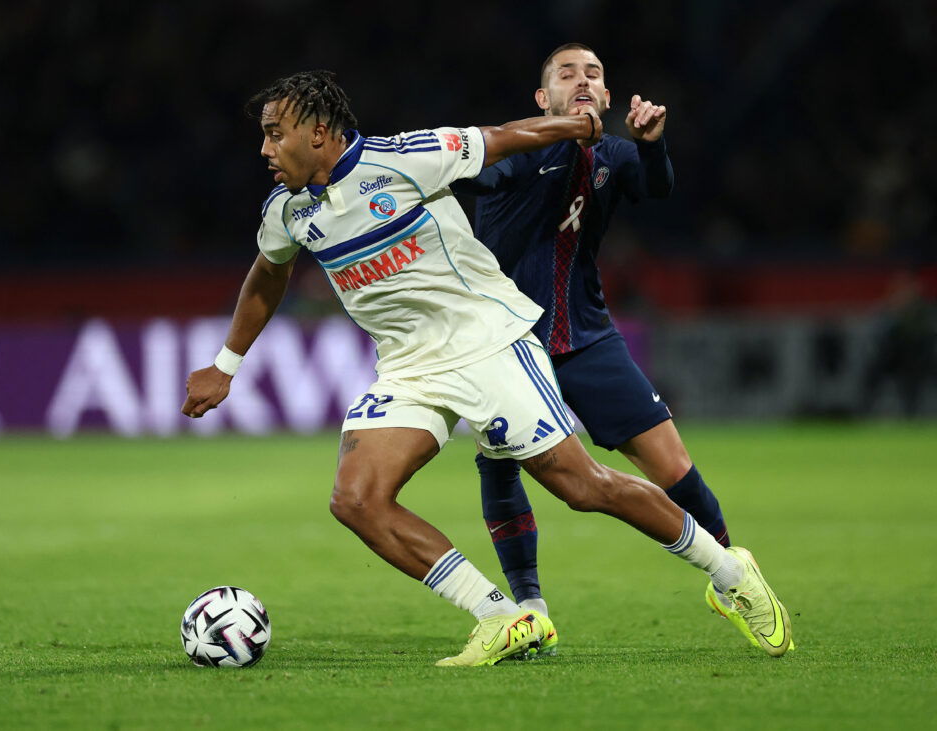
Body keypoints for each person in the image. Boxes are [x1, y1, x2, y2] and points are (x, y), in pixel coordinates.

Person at [182, 70, 792, 666]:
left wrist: (577, 127)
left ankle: (730, 571)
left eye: (275, 133)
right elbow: (269, 273)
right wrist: (225, 365)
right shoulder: (287, 210)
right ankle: (503, 616)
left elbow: (502, 137)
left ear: (318, 133)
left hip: (488, 343)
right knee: (357, 499)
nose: (265, 150)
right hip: (409, 368)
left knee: (582, 487)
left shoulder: (405, 159)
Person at [452, 43, 767, 650]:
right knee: (500, 462)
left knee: (672, 463)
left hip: (586, 335)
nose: (582, 80)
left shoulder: (614, 154)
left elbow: (657, 186)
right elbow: (480, 169)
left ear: (606, 96)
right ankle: (529, 608)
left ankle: (734, 575)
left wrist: (652, 145)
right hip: (508, 341)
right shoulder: (517, 149)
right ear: (543, 98)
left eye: (592, 74)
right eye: (566, 74)